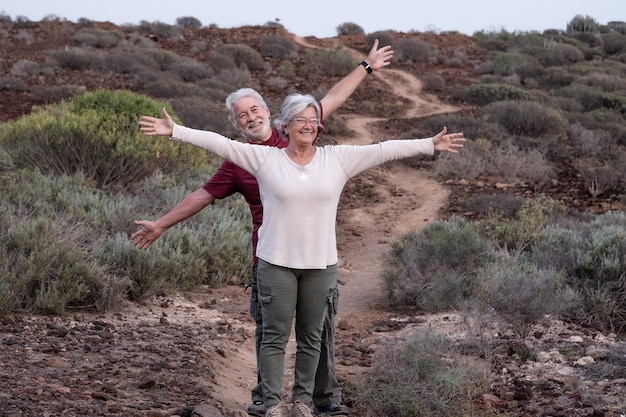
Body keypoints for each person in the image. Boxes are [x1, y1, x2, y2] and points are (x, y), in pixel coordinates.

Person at [138, 92, 465, 417]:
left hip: (319, 266)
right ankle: (272, 405)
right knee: (273, 338)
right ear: (286, 125)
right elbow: (221, 144)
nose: (307, 126)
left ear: (318, 126)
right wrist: (177, 131)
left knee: (312, 339)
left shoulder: (336, 159)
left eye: (313, 121)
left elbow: (382, 150)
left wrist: (428, 144)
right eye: (300, 120)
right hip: (275, 264)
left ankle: (301, 404)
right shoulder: (264, 159)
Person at [132, 41, 394, 417]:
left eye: (255, 109)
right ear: (236, 124)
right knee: (269, 331)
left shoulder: (294, 131)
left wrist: (366, 66)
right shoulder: (238, 160)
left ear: (270, 114)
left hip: (313, 250)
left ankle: (322, 399)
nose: (250, 117)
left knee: (317, 328)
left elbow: (333, 98)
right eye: (241, 115)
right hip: (269, 255)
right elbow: (202, 195)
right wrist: (160, 225)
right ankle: (265, 400)